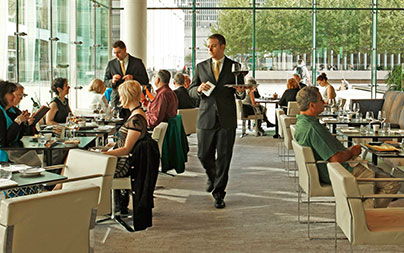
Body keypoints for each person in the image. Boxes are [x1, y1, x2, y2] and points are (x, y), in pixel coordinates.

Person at [294, 86, 400, 208]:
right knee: (392, 183)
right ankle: (362, 217)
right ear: (312, 105)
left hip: (331, 169)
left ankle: (362, 206)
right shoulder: (313, 128)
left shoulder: (302, 123)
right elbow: (336, 158)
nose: (324, 102)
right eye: (321, 100)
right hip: (341, 170)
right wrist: (351, 151)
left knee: (380, 173)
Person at [189, 34, 246, 209]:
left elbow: (241, 93)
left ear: (223, 46)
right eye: (208, 46)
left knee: (224, 157)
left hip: (226, 118)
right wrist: (198, 89)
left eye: (213, 46)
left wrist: (240, 91)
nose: (210, 49)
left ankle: (219, 194)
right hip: (206, 117)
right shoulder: (201, 67)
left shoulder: (234, 67)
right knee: (203, 155)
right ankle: (213, 177)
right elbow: (190, 91)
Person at [102, 80, 149, 214]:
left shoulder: (136, 119)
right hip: (125, 161)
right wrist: (111, 145)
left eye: (121, 96)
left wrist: (104, 155)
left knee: (85, 166)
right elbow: (127, 142)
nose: (119, 99)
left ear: (127, 96)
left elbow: (127, 149)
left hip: (123, 165)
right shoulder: (137, 115)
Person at [104, 40, 149, 120]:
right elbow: (105, 82)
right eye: (114, 53)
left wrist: (133, 78)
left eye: (118, 52)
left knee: (133, 123)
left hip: (133, 99)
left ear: (125, 49)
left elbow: (145, 80)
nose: (116, 55)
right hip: (117, 100)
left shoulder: (137, 62)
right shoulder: (111, 64)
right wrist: (112, 81)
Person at [0, 81, 31, 162]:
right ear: (2, 94)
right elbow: (4, 141)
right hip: (3, 156)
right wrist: (18, 121)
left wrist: (23, 122)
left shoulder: (8, 111)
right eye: (11, 93)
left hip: (10, 151)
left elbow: (18, 136)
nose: (14, 96)